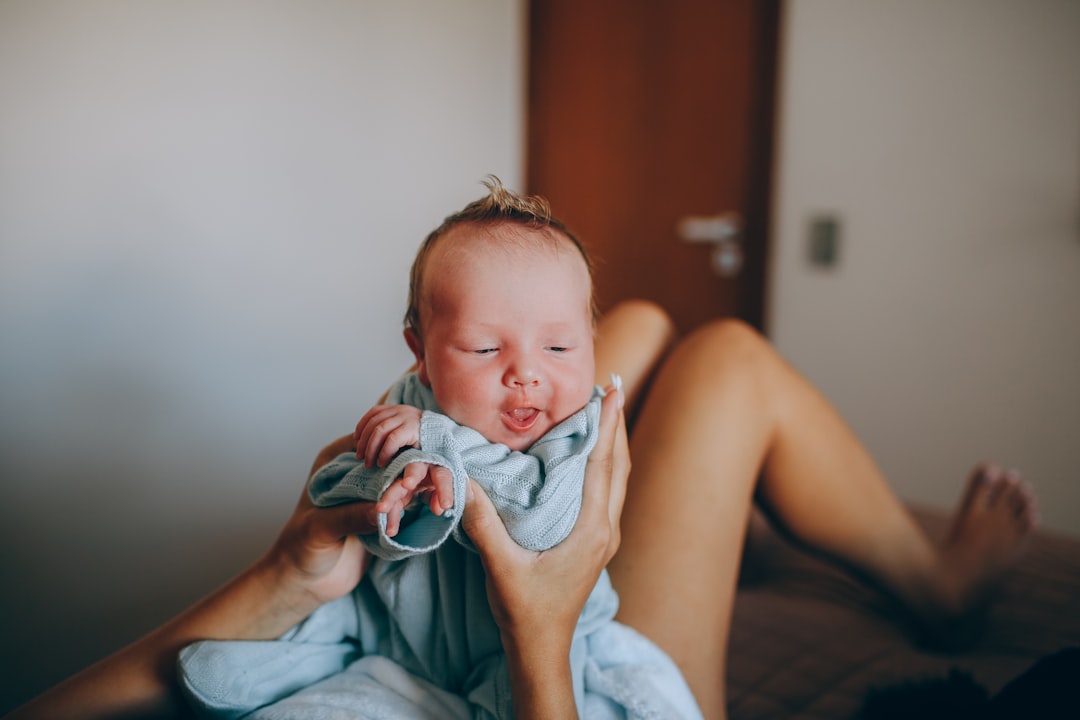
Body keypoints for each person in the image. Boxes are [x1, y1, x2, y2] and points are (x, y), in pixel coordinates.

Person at [4, 189, 1036, 720]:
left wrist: (289, 572)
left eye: (543, 345)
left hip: (536, 569)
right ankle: (938, 585)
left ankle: (589, 354)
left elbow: (135, 682)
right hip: (548, 666)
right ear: (414, 344)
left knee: (630, 319)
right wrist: (541, 629)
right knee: (728, 359)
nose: (522, 370)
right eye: (478, 347)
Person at [176, 178, 702, 718]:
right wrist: (399, 482)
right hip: (403, 640)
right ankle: (242, 675)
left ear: (590, 341)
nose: (526, 373)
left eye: (559, 346)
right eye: (486, 347)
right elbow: (333, 489)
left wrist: (442, 442)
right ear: (421, 355)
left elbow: (541, 524)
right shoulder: (414, 400)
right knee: (332, 625)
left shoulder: (579, 426)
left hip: (532, 654)